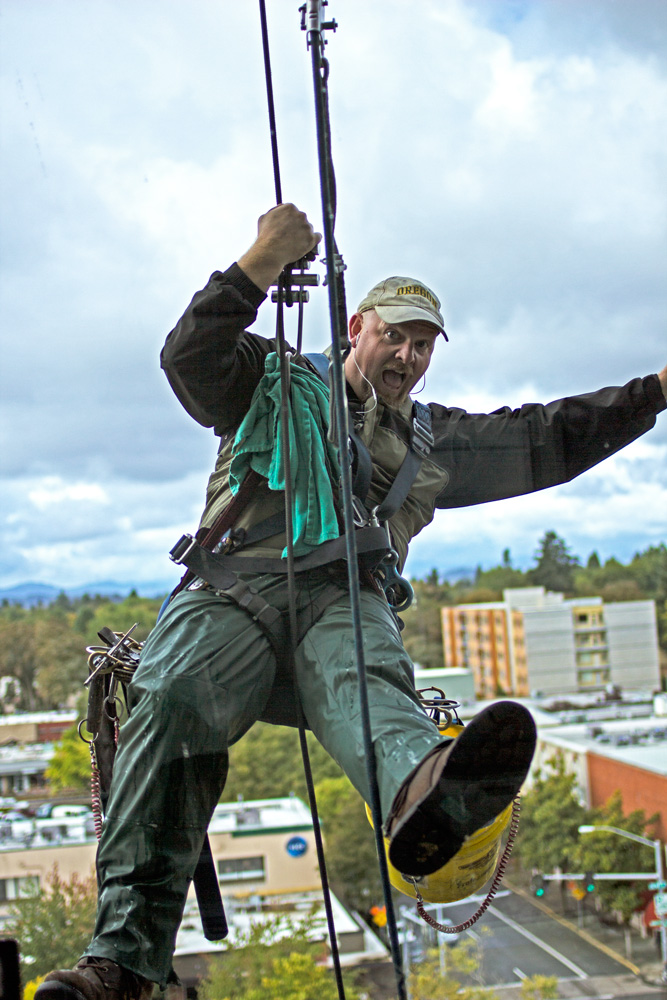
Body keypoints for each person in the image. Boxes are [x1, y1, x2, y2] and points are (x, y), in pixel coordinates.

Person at [38, 204, 667, 1000]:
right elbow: (189, 360)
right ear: (358, 328)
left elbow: (550, 437)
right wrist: (256, 266)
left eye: (422, 344)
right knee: (171, 697)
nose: (405, 354)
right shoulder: (268, 382)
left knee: (365, 680)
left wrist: (655, 391)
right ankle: (122, 963)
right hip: (235, 588)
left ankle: (426, 800)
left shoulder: (435, 446)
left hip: (343, 606)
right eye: (394, 334)